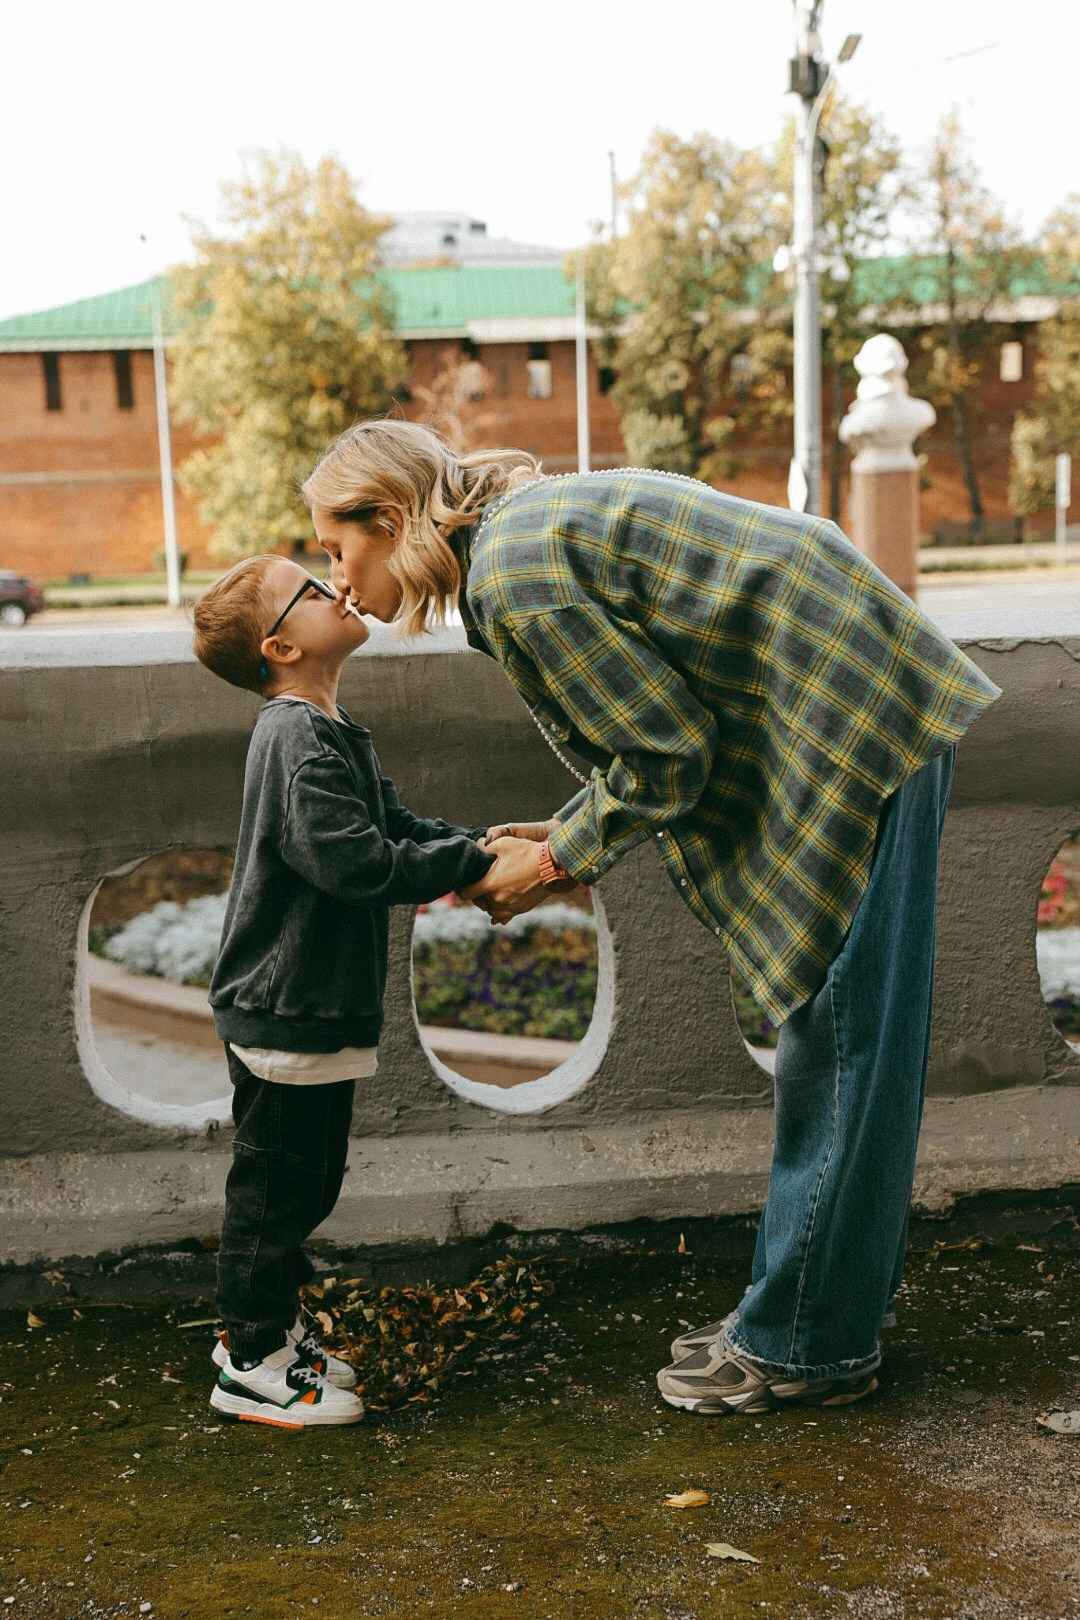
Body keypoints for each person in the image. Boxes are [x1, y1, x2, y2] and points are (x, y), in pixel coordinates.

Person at [300, 419, 1001, 1418]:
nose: (336, 579)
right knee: (842, 1039)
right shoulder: (519, 537)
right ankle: (813, 1312)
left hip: (851, 711)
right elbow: (662, 725)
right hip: (854, 690)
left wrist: (556, 862)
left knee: (843, 1041)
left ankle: (808, 1344)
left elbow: (670, 757)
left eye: (336, 548)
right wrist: (565, 833)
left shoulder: (514, 578)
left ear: (389, 517)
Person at [191, 553, 493, 1427]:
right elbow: (354, 861)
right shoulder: (295, 736)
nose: (338, 587)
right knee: (274, 1194)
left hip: (315, 1006)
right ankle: (249, 1359)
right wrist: (472, 866)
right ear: (282, 646)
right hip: (284, 1004)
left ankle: (269, 1333)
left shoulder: (330, 726)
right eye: (313, 589)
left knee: (311, 1182)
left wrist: (480, 846)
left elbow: (394, 827)